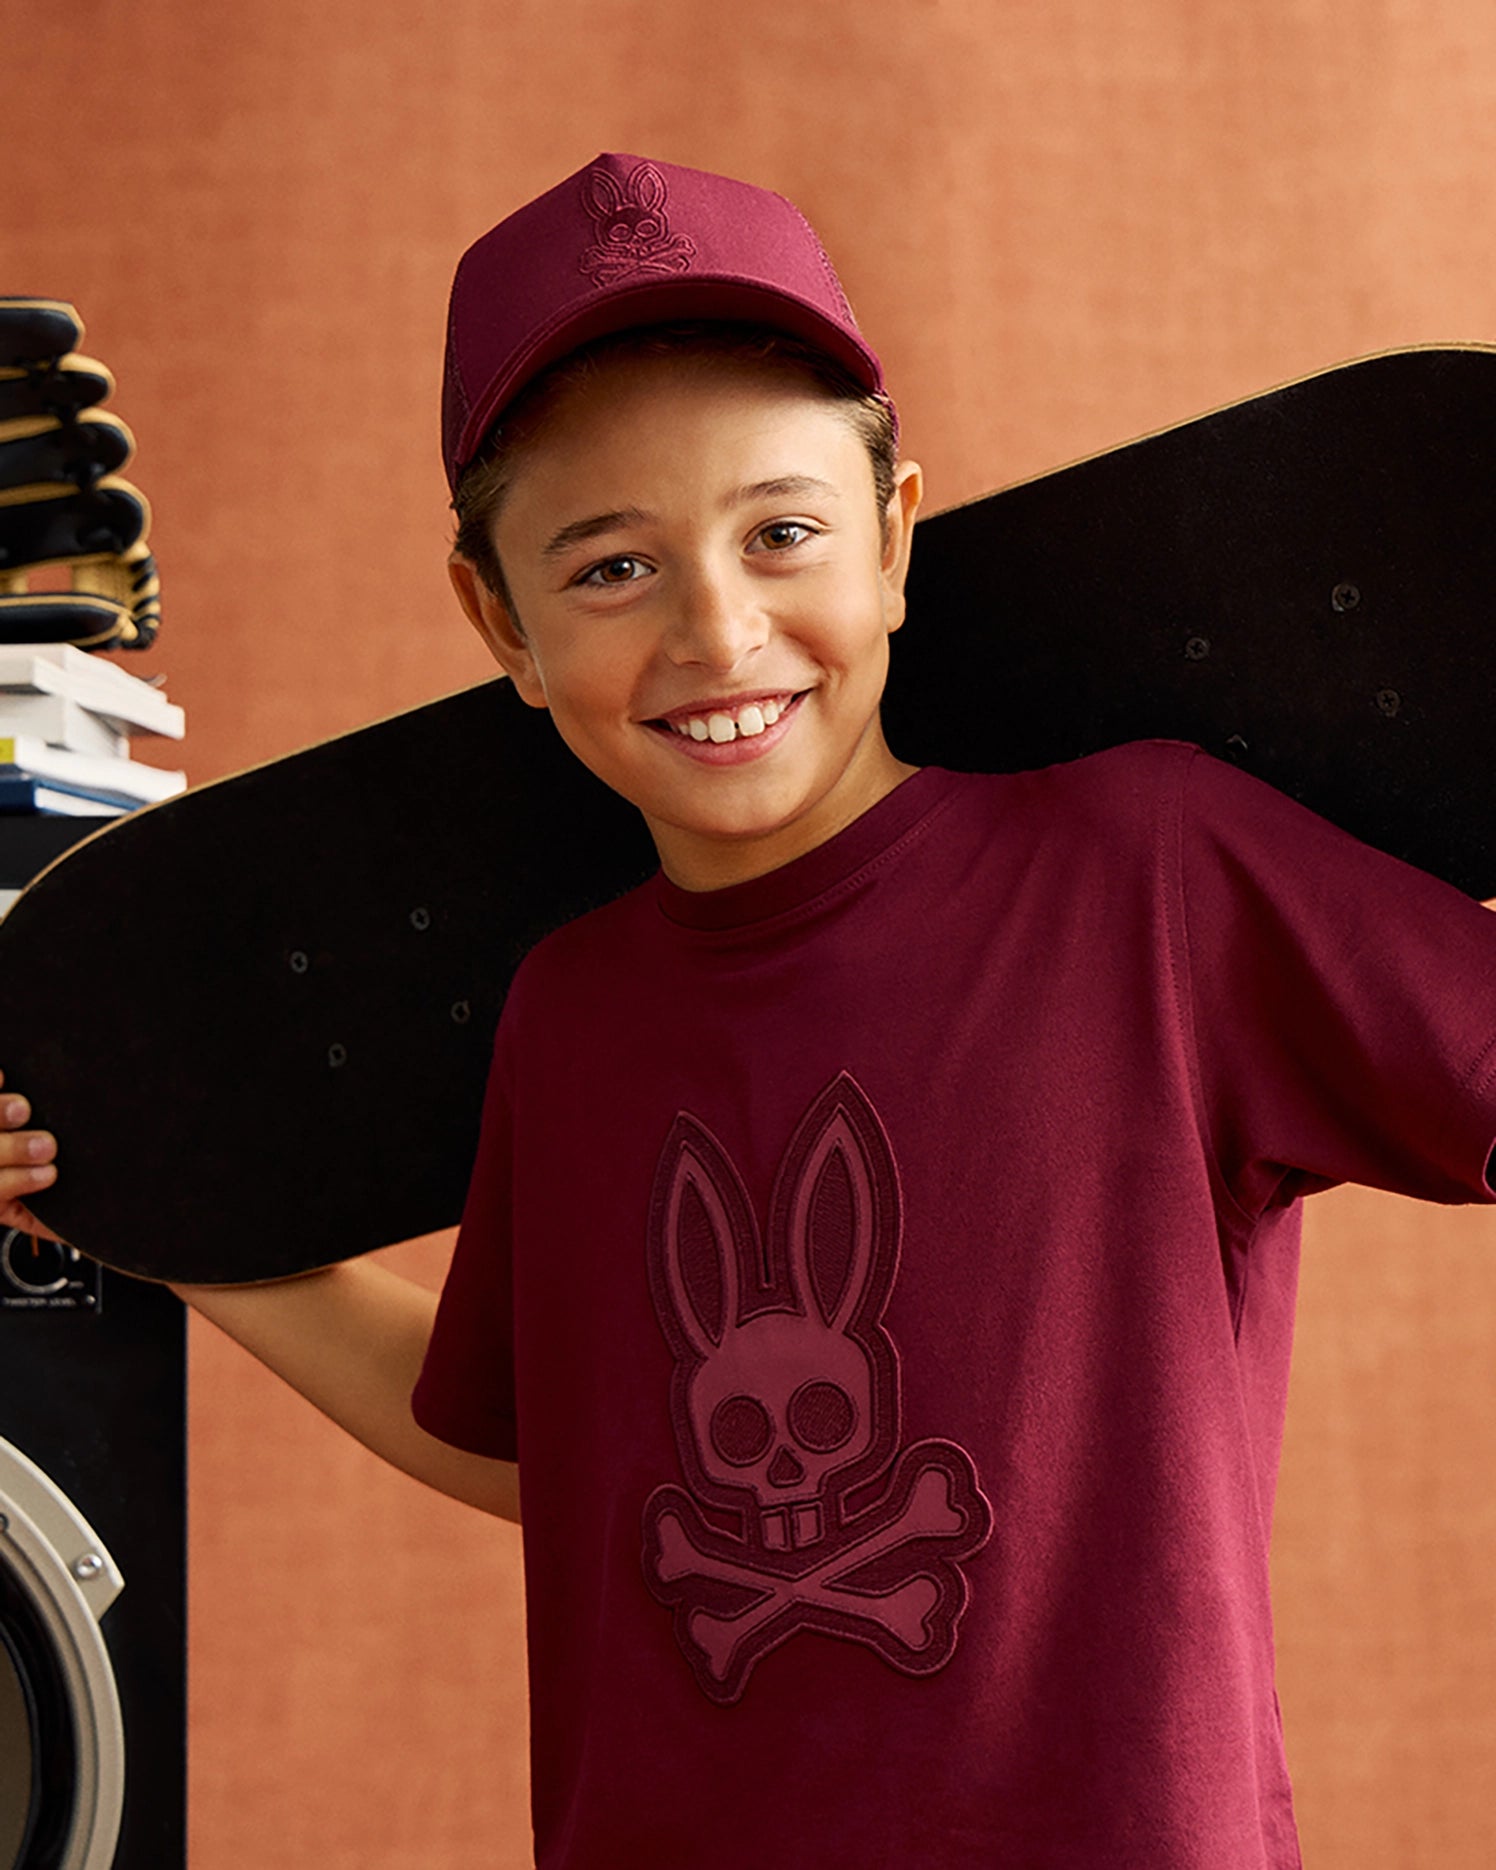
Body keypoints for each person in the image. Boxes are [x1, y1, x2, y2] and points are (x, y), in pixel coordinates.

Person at [4, 151, 1496, 1868]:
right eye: (610, 569)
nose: (720, 632)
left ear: (895, 537)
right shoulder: (569, 1020)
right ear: (500, 621)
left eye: (780, 532)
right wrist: (147, 1210)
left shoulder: (1148, 878)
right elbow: (558, 1462)